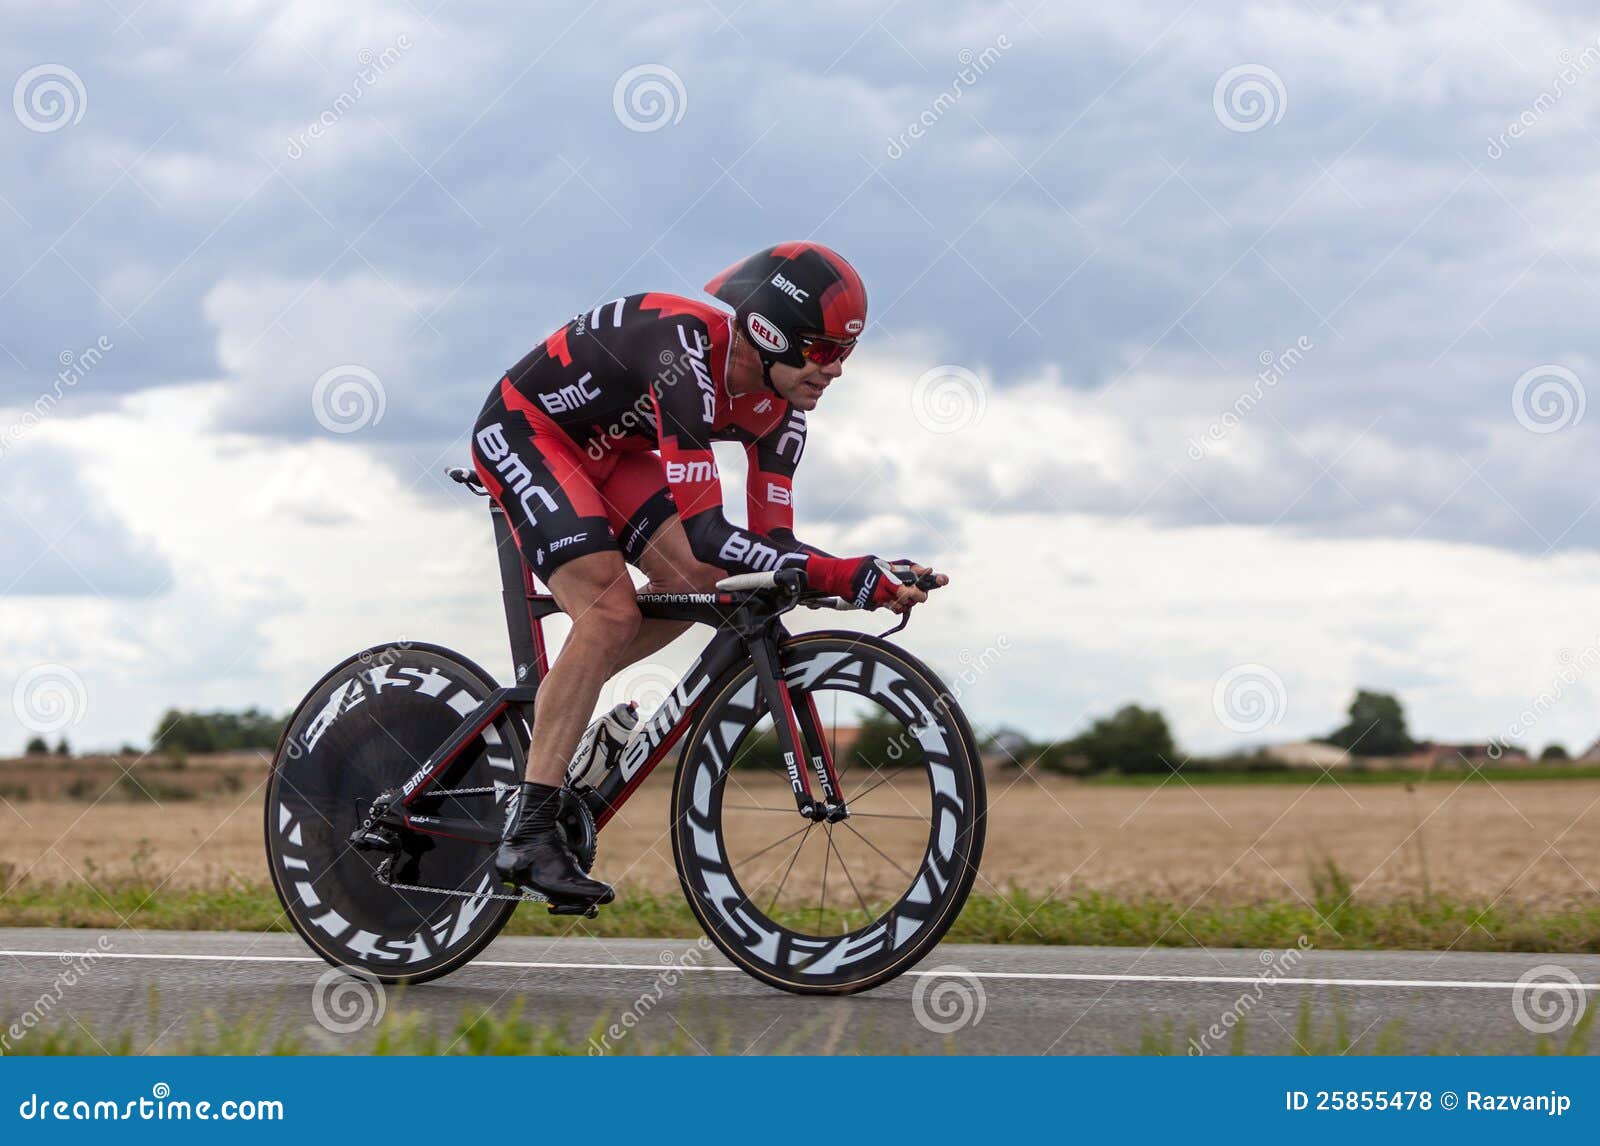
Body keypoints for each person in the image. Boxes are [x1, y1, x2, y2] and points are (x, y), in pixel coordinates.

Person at [471, 242, 945, 908]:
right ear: (769, 330)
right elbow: (712, 530)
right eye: (823, 349)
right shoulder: (684, 350)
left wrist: (859, 574)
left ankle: (566, 704)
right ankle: (528, 831)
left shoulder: (785, 414)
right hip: (531, 431)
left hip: (613, 453)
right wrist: (841, 577)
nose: (834, 371)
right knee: (610, 613)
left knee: (701, 582)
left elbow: (771, 544)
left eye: (846, 353)